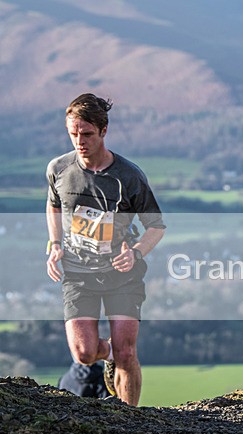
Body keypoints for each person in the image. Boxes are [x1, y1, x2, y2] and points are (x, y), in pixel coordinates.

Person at [46, 94, 166, 406]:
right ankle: (109, 353)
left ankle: (131, 421)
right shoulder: (59, 169)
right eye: (73, 133)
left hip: (122, 272)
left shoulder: (129, 176)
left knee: (128, 353)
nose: (79, 141)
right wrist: (55, 244)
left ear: (103, 130)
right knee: (84, 354)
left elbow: (156, 226)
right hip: (77, 272)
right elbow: (54, 205)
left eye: (86, 134)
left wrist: (136, 252)